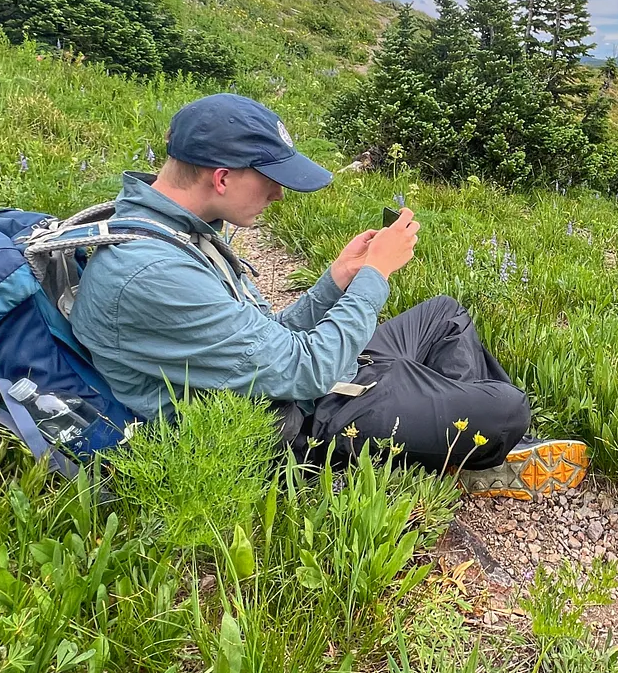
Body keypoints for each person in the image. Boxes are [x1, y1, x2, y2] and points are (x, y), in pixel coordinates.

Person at [69, 93, 588, 499]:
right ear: (222, 177)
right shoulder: (155, 271)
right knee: (508, 408)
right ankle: (462, 436)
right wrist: (374, 277)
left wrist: (336, 280)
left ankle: (441, 439)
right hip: (279, 424)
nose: (278, 193)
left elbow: (267, 338)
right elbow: (305, 371)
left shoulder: (176, 230)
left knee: (445, 316)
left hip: (276, 384)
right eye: (270, 179)